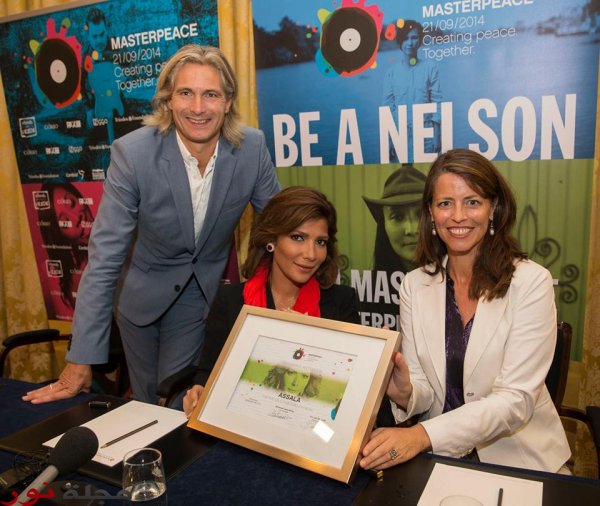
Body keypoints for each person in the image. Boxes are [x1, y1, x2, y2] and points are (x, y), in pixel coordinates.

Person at [24, 45, 281, 406]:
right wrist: (81, 357)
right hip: (139, 295)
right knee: (145, 401)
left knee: (175, 398)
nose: (198, 107)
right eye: (185, 93)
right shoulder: (133, 153)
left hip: (197, 294)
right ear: (168, 100)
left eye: (211, 94)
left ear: (228, 102)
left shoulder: (251, 148)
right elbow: (105, 256)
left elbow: (280, 221)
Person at [359, 149, 571, 473]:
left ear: (493, 209)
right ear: (431, 213)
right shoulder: (414, 285)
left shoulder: (531, 282)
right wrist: (404, 391)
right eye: (445, 203)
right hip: (439, 460)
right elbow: (425, 390)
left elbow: (515, 400)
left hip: (519, 461)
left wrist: (422, 435)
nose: (458, 216)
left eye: (472, 202)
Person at [182, 186, 363, 417]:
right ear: (271, 240)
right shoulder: (231, 301)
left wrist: (314, 338)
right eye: (298, 238)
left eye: (320, 242)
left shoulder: (341, 303)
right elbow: (208, 371)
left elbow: (349, 390)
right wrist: (199, 389)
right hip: (243, 423)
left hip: (313, 428)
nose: (311, 254)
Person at [382, 20, 442, 162]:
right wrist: (390, 141)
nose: (409, 43)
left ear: (420, 40)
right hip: (401, 138)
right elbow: (387, 109)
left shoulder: (430, 68)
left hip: (427, 137)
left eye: (414, 38)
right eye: (405, 38)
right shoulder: (391, 73)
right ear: (400, 41)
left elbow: (437, 103)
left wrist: (437, 135)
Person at [37, 182, 94, 313]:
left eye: (71, 203)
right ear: (60, 236)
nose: (76, 218)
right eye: (64, 222)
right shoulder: (80, 278)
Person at [363, 165, 426, 274]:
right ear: (384, 225)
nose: (411, 230)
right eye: (397, 217)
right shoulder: (371, 284)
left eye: (421, 215)